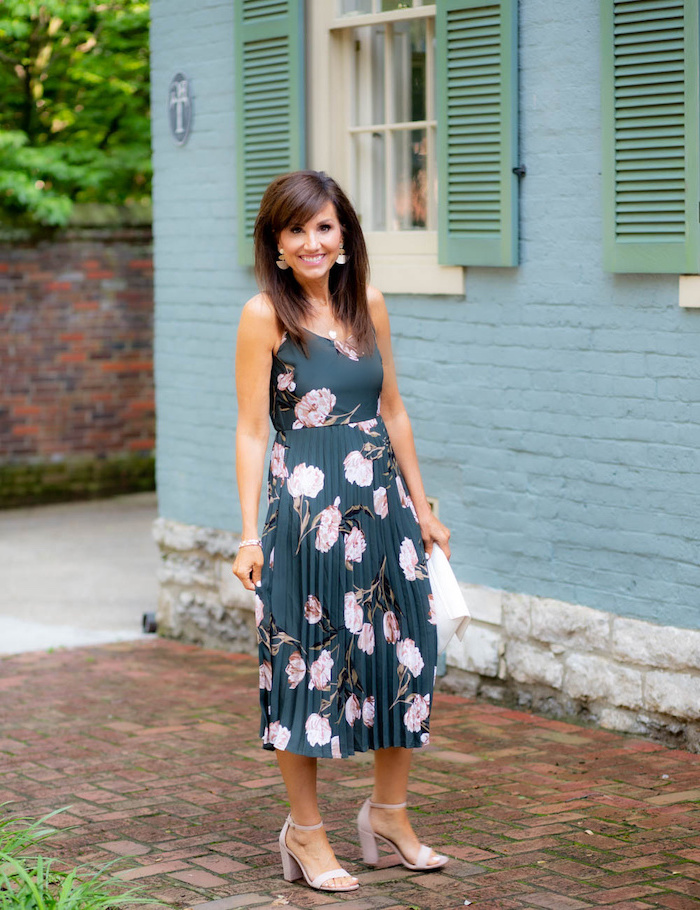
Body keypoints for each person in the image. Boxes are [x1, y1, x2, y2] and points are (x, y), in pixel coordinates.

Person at [232, 170, 451, 893]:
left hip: (382, 510)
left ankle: (389, 815)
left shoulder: (370, 308)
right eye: (296, 230)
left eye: (324, 227)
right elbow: (249, 429)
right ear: (277, 243)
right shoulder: (265, 314)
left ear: (346, 236)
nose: (312, 242)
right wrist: (247, 535)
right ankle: (306, 833)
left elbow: (395, 412)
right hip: (302, 518)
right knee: (307, 669)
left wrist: (424, 506)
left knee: (404, 659)